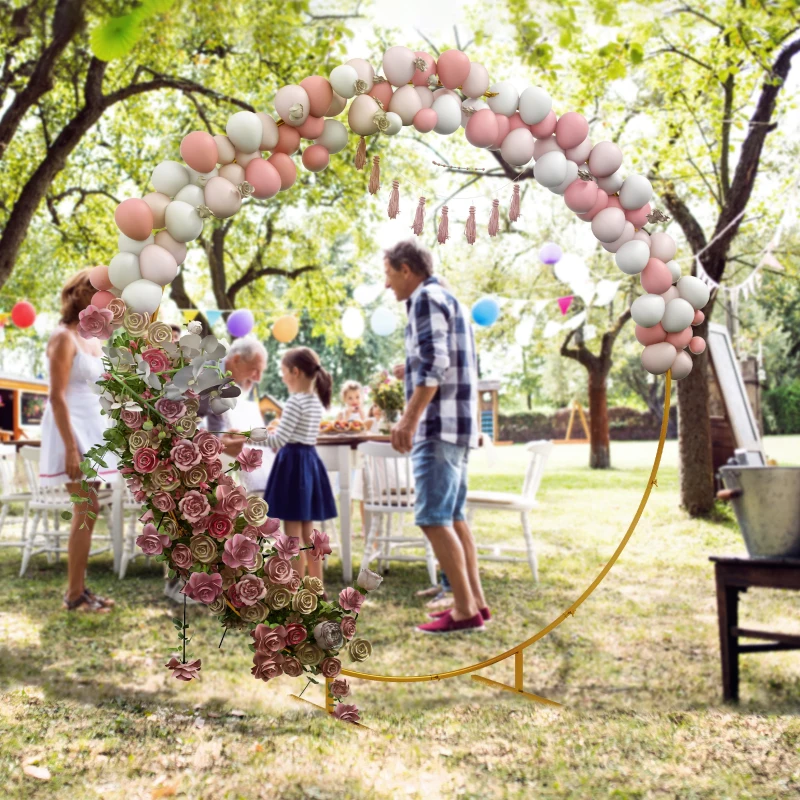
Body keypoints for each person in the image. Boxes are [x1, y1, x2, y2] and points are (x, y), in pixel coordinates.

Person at [384, 239, 489, 634]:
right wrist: (407, 368)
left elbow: (435, 365)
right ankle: (476, 602)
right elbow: (443, 358)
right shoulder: (449, 299)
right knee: (455, 518)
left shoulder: (426, 299)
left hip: (437, 426)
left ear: (407, 269)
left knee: (432, 517)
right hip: (460, 426)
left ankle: (463, 611)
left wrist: (408, 420)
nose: (387, 284)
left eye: (389, 274)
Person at [39, 268, 117, 613]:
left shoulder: (94, 340)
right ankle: (73, 594)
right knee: (86, 507)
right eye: (98, 292)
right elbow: (56, 396)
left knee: (89, 508)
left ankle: (80, 590)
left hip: (93, 431)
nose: (105, 299)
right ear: (79, 295)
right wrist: (71, 448)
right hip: (70, 432)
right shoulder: (62, 337)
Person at [262, 347, 337, 584]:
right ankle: (317, 586)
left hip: (292, 466)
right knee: (309, 532)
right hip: (309, 463)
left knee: (292, 534)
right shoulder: (315, 401)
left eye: (283, 372)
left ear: (295, 372)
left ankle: (294, 586)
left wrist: (250, 435)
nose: (282, 377)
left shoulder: (295, 402)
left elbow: (277, 440)